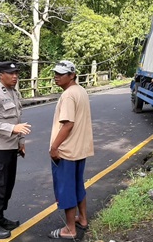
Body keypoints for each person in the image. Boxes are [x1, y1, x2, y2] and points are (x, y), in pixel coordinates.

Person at [0, 61, 32, 239]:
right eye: (10, 73)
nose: (15, 76)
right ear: (0, 75)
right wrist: (12, 130)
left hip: (11, 147)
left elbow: (17, 120)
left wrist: (21, 141)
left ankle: (0, 217)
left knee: (8, 185)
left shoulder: (14, 93)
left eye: (16, 73)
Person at [48, 60, 94, 240]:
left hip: (66, 151)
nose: (56, 77)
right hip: (79, 149)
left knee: (66, 189)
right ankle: (82, 218)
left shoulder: (68, 95)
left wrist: (54, 147)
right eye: (56, 73)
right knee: (77, 185)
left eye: (61, 74)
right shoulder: (80, 91)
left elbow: (68, 124)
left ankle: (70, 229)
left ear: (72, 75)